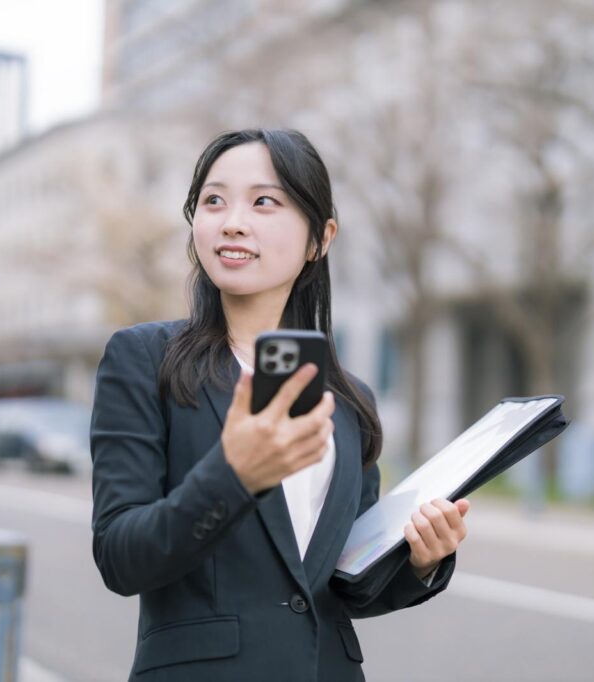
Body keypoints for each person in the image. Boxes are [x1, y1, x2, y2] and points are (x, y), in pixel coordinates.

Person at [90, 128, 470, 681]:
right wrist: (235, 473)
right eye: (213, 201)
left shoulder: (348, 401)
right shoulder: (145, 359)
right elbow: (122, 558)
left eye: (264, 201)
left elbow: (341, 587)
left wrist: (421, 560)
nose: (232, 221)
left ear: (321, 237)